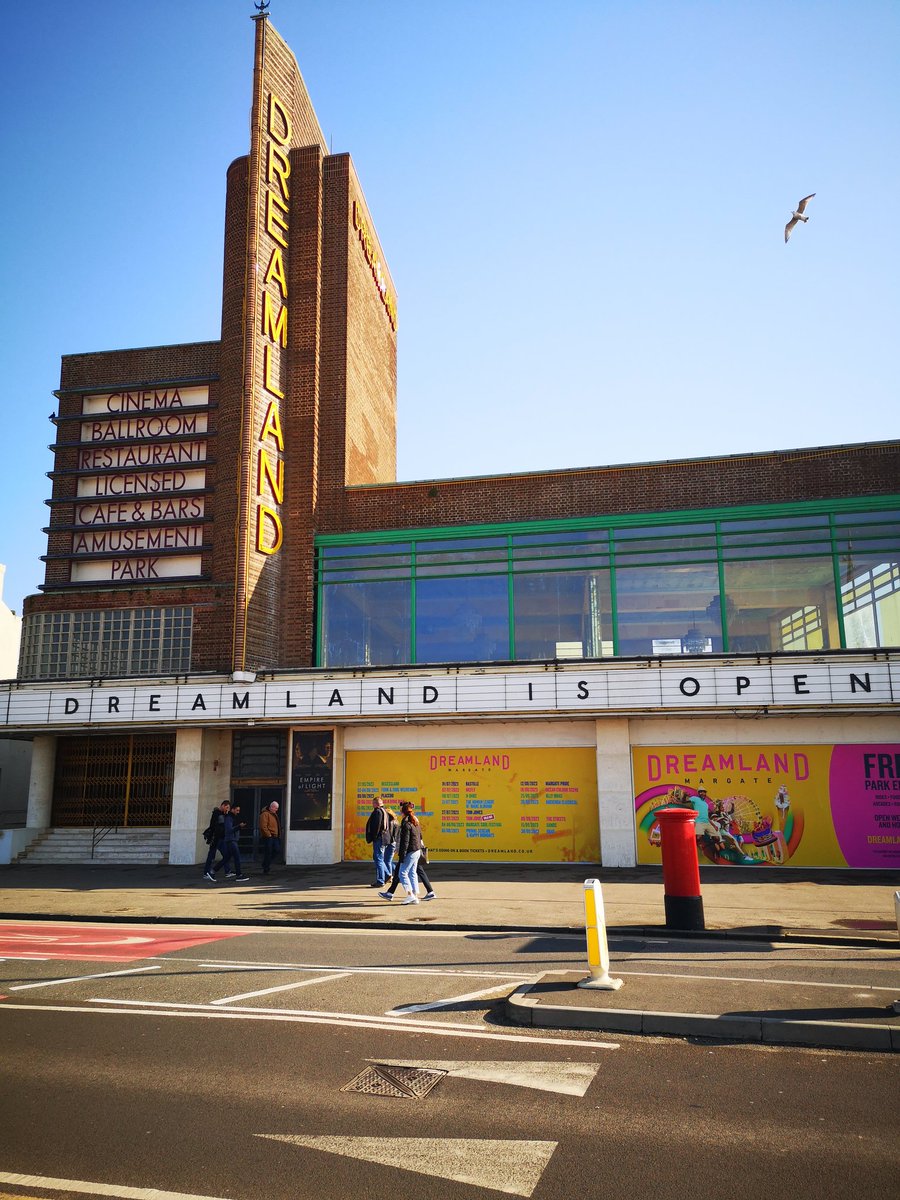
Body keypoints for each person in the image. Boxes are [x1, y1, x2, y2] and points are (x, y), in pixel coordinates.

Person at [392, 800, 423, 905]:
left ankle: (410, 895)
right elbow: (420, 836)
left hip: (410, 851)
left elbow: (405, 841)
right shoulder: (415, 821)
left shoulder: (406, 823)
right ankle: (415, 896)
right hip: (417, 850)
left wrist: (402, 855)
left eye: (400, 811)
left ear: (403, 812)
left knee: (402, 873)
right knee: (412, 873)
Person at [212, 805, 249, 882]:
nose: (238, 812)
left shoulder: (231, 818)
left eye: (239, 810)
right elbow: (229, 830)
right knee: (237, 857)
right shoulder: (229, 818)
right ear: (233, 809)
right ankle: (239, 875)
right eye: (237, 810)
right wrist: (239, 826)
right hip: (231, 840)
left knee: (226, 858)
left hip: (230, 840)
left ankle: (213, 871)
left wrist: (239, 826)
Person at [364, 796, 392, 887]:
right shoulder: (385, 812)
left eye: (373, 803)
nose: (372, 805)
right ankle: (387, 875)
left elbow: (376, 826)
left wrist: (374, 837)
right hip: (384, 838)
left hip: (379, 839)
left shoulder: (377, 812)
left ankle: (380, 880)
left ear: (376, 803)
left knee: (378, 858)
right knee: (378, 858)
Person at [202, 800, 230, 881]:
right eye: (226, 807)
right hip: (215, 838)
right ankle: (206, 873)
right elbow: (220, 825)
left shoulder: (220, 814)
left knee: (226, 855)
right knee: (211, 856)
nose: (227, 809)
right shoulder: (217, 814)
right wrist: (225, 816)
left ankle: (227, 871)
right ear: (223, 805)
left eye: (228, 808)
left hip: (220, 838)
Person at [259, 800, 281, 875]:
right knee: (268, 852)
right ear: (271, 807)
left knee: (277, 850)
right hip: (269, 837)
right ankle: (266, 868)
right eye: (275, 808)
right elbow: (263, 826)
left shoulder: (274, 814)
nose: (276, 810)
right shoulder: (265, 814)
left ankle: (265, 864)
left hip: (274, 837)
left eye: (277, 808)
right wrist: (269, 835)